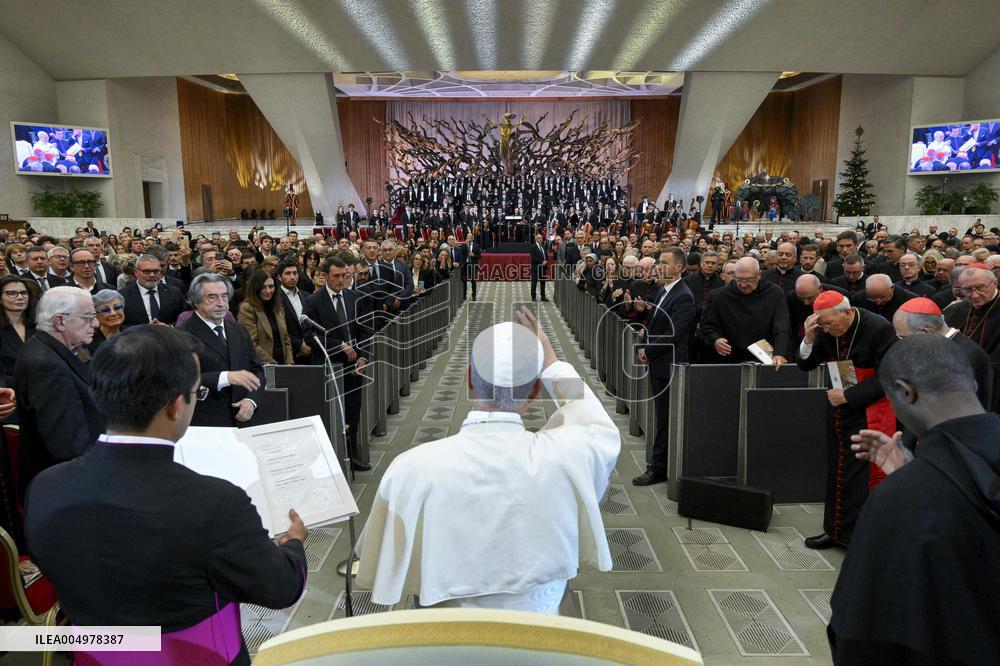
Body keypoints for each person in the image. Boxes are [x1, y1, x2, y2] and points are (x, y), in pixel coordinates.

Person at [24, 326, 307, 665]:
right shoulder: (215, 503)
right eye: (195, 393)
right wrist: (293, 543)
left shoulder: (45, 485)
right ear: (176, 406)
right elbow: (280, 588)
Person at [356, 308, 619, 614]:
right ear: (534, 391)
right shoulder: (567, 456)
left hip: (447, 634)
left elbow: (384, 561)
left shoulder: (412, 468)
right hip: (542, 623)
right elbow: (592, 419)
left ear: (469, 379)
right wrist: (552, 364)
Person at [828, 335, 1000, 664]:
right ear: (974, 384)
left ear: (906, 392)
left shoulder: (898, 501)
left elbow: (861, 628)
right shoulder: (912, 485)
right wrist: (913, 471)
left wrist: (909, 481)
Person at [796, 290, 897, 549]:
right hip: (839, 407)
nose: (827, 330)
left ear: (848, 312)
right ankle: (834, 530)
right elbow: (806, 364)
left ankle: (858, 538)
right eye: (822, 324)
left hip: (869, 409)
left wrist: (849, 396)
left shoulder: (878, 328)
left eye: (830, 323)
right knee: (836, 470)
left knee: (858, 476)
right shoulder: (826, 330)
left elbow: (890, 375)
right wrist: (808, 338)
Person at [14, 287, 103, 498]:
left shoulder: (46, 348)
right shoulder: (47, 365)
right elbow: (69, 446)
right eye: (89, 316)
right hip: (67, 490)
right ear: (60, 322)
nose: (96, 323)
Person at [632, 249, 696, 486]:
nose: (659, 266)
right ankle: (659, 463)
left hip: (670, 366)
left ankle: (658, 468)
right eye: (659, 262)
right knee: (661, 416)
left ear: (679, 267)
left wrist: (648, 351)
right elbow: (653, 324)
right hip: (659, 363)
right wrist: (642, 343)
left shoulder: (683, 296)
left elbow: (674, 333)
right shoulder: (663, 291)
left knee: (665, 419)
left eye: (664, 263)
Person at [303, 257, 371, 470]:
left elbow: (365, 330)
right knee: (330, 414)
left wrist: (363, 356)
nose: (341, 280)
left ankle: (351, 456)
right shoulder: (314, 301)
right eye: (336, 276)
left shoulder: (353, 297)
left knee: (352, 411)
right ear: (324, 276)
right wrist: (338, 345)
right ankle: (330, 460)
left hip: (354, 367)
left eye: (345, 276)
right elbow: (309, 336)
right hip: (328, 366)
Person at [178, 274, 264, 427]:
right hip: (205, 424)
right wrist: (226, 377)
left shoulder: (238, 330)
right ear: (196, 301)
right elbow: (182, 379)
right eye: (212, 297)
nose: (221, 303)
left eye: (224, 296)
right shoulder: (183, 334)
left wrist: (251, 401)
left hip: (243, 420)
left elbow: (257, 371)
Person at [892, 297, 993, 412]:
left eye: (903, 337)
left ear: (926, 332)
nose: (902, 342)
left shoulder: (966, 356)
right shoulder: (934, 346)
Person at [699, 257, 791, 365]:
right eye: (738, 279)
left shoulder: (774, 293)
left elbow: (782, 327)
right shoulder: (718, 296)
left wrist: (779, 353)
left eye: (748, 280)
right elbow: (706, 326)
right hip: (728, 359)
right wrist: (715, 340)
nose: (743, 285)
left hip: (763, 358)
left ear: (759, 274)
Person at [944, 264, 1000, 412]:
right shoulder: (954, 311)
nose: (974, 295)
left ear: (994, 283)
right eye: (967, 289)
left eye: (980, 287)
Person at [238, 269, 295, 365]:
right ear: (255, 288)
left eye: (271, 286)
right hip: (262, 367)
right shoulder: (247, 308)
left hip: (283, 366)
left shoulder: (278, 307)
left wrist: (289, 363)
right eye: (263, 287)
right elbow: (251, 343)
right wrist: (273, 365)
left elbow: (286, 338)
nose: (268, 291)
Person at [121, 254, 187, 326]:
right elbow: (120, 325)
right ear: (136, 272)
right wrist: (142, 330)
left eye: (156, 271)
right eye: (146, 271)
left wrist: (169, 328)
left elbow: (185, 319)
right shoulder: (123, 296)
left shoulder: (174, 293)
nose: (152, 275)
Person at [0, 275, 36, 392]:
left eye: (24, 293)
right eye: (12, 293)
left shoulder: (39, 325)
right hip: (10, 393)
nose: (20, 297)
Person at [850, 274, 915, 322]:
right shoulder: (859, 298)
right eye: (872, 298)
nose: (878, 302)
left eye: (882, 297)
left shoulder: (910, 300)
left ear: (892, 288)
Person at [87, 288, 125, 355]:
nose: (113, 313)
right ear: (96, 315)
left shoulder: (134, 335)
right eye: (105, 310)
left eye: (117, 307)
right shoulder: (88, 341)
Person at [530, 232, 548, 301]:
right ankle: (533, 297)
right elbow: (533, 257)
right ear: (536, 239)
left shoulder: (543, 246)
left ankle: (543, 296)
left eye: (541, 238)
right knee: (534, 282)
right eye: (539, 238)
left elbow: (546, 255)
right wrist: (541, 262)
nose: (541, 239)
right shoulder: (533, 247)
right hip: (536, 268)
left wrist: (546, 260)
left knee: (543, 282)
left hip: (543, 268)